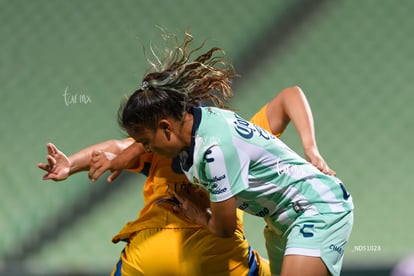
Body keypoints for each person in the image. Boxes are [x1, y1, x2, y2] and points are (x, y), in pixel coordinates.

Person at [117, 33, 354, 276]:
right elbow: (290, 95)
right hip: (281, 221)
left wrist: (196, 213)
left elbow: (224, 228)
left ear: (166, 127)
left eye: (145, 142)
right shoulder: (199, 121)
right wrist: (128, 153)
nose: (146, 148)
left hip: (317, 207)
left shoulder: (213, 152)